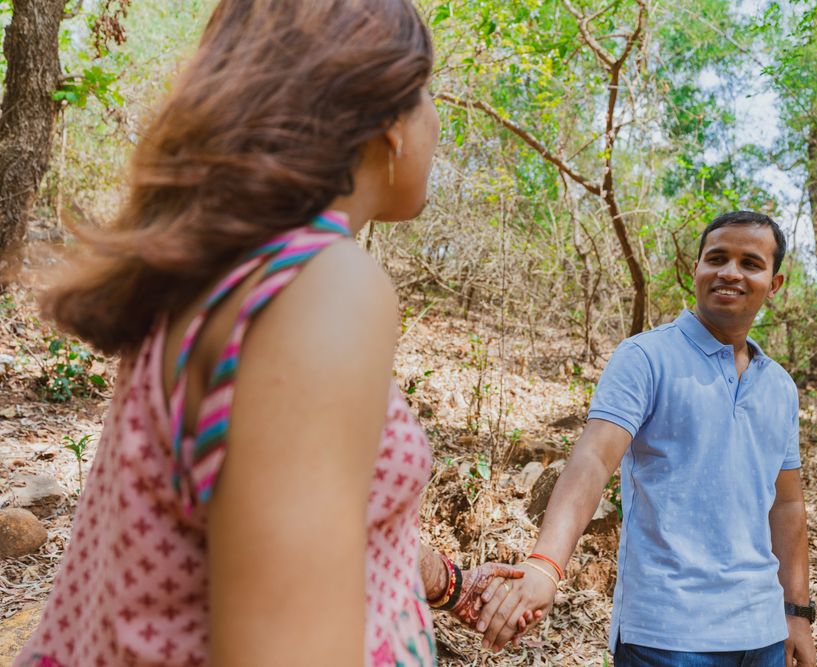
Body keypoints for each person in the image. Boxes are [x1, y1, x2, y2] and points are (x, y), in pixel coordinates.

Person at [16, 2, 525, 665]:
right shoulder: (324, 283)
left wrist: (454, 584)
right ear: (388, 120)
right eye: (427, 91)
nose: (437, 121)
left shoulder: (220, 276)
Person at [476, 211, 817, 667]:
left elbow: (786, 504)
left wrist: (796, 613)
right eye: (716, 258)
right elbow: (594, 461)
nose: (730, 272)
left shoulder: (779, 386)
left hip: (762, 633)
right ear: (696, 270)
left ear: (774, 284)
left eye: (750, 263)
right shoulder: (645, 358)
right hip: (667, 634)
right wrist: (545, 565)